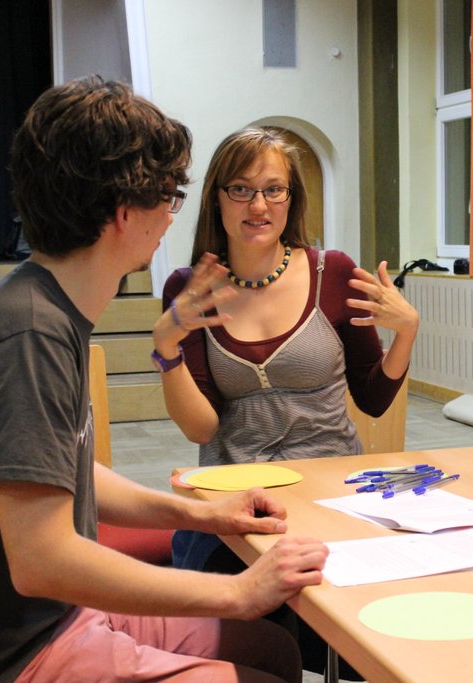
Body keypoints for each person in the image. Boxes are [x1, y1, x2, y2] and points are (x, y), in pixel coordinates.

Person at [0, 76, 327, 683]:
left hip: (36, 622)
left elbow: (68, 471)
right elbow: (41, 562)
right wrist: (237, 592)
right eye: (169, 197)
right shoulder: (28, 332)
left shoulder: (42, 307)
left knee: (272, 648)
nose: (170, 216)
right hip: (7, 654)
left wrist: (206, 516)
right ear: (124, 213)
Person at [154, 126, 418, 573]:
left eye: (274, 190)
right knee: (238, 597)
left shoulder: (334, 272)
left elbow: (373, 399)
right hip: (237, 498)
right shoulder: (190, 288)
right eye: (241, 190)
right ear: (216, 199)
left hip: (331, 489)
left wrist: (407, 332)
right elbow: (201, 428)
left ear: (291, 198)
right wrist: (167, 350)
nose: (259, 206)